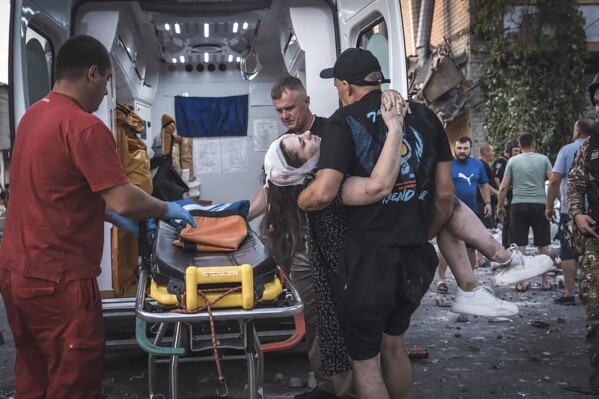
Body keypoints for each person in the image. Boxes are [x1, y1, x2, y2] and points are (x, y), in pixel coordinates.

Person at [0, 35, 195, 399]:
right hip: (60, 280)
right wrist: (166, 207)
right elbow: (124, 198)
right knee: (74, 379)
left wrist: (106, 216)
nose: (106, 93)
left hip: (16, 274)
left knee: (34, 372)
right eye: (106, 81)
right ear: (92, 74)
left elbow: (58, 193)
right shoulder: (84, 127)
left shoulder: (32, 117)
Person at [248, 76, 351, 399]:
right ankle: (325, 384)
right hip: (302, 246)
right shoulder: (286, 146)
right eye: (279, 110)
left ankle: (345, 388)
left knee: (340, 319)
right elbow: (270, 191)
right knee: (313, 318)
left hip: (336, 243)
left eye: (290, 107)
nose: (285, 116)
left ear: (306, 101)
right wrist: (239, 219)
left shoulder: (329, 136)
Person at [567, 72, 599, 393]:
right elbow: (574, 184)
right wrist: (576, 214)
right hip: (595, 240)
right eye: (598, 102)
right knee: (596, 311)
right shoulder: (589, 146)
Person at [497, 133, 553, 291]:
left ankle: (522, 282)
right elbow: (553, 181)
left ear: (520, 146)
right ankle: (545, 281)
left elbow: (503, 187)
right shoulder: (543, 160)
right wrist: (553, 203)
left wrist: (500, 206)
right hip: (540, 205)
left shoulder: (513, 161)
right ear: (534, 144)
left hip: (518, 205)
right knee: (543, 244)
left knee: (520, 244)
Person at [437, 136, 492, 293]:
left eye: (465, 148)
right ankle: (441, 279)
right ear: (454, 148)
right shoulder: (447, 164)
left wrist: (487, 203)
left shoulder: (477, 165)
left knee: (470, 248)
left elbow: (483, 185)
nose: (462, 151)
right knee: (445, 248)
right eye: (459, 148)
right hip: (449, 213)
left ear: (470, 149)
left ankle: (468, 282)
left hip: (471, 213)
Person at [546, 118, 593, 305]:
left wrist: (549, 205)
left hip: (571, 210)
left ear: (577, 131)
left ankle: (569, 294)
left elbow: (555, 178)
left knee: (568, 251)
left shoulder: (567, 150)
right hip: (595, 209)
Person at [493, 139, 521, 248]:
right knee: (508, 222)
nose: (517, 153)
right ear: (508, 151)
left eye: (519, 151)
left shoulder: (514, 161)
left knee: (514, 222)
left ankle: (512, 244)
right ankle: (506, 246)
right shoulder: (501, 162)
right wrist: (502, 195)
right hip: (506, 195)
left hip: (514, 195)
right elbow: (496, 179)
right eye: (515, 151)